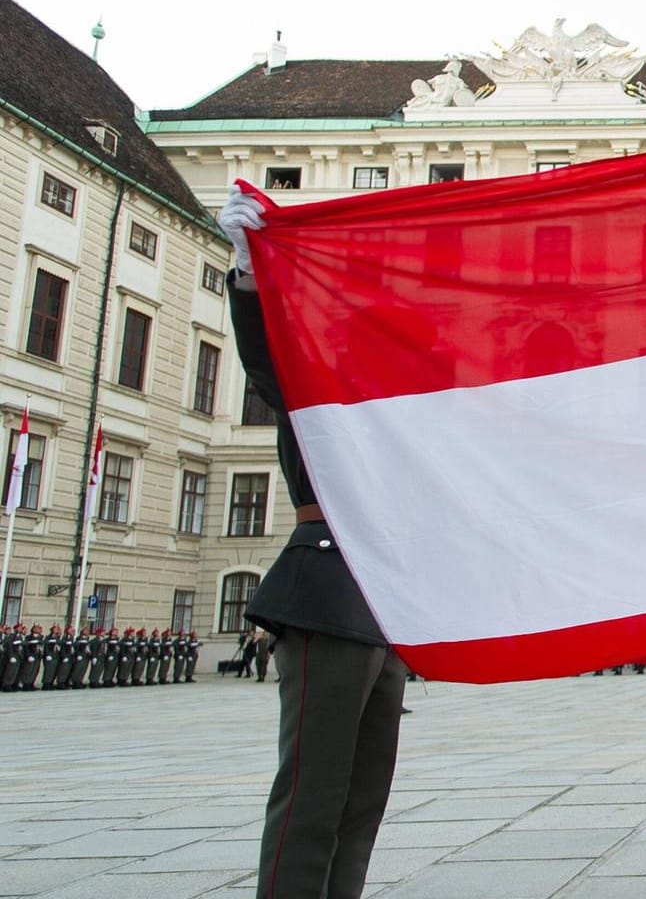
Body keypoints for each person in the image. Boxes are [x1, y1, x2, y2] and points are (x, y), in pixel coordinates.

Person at [222, 186, 410, 899]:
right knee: (313, 797)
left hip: (381, 601)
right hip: (328, 587)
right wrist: (248, 270)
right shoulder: (316, 384)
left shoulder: (410, 406)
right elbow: (266, 358)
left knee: (361, 803)